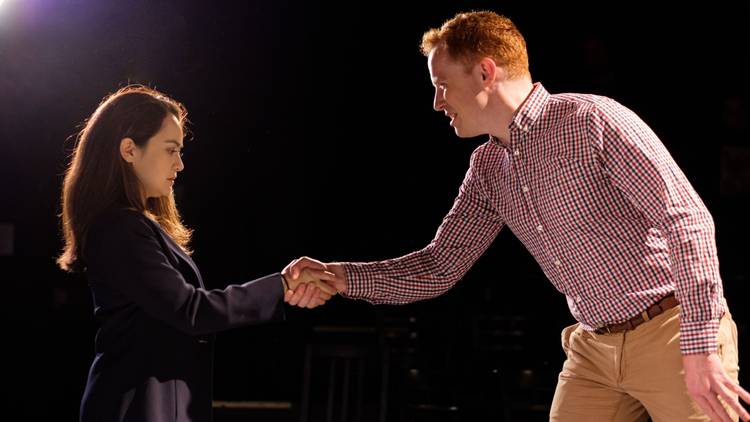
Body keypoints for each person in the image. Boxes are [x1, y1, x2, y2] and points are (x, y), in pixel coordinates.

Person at [285, 11, 750, 422]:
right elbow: (439, 266)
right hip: (593, 347)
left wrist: (701, 344)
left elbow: (686, 220)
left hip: (671, 332)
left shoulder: (591, 120)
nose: (437, 103)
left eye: (442, 86)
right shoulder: (488, 168)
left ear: (486, 72)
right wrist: (340, 277)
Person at [57, 85, 336, 422]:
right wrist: (282, 286)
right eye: (171, 149)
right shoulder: (119, 229)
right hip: (134, 408)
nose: (181, 163)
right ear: (129, 150)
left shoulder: (136, 225)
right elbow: (191, 310)